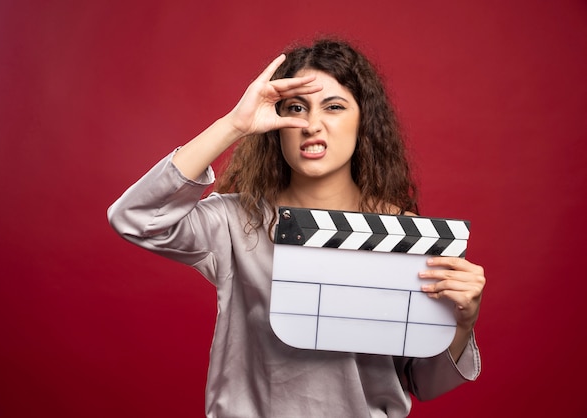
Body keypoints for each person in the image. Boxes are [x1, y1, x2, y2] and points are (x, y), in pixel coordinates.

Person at [108, 38, 485, 418]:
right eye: (296, 108)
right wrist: (234, 124)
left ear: (363, 121)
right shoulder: (237, 222)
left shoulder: (406, 236)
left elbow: (425, 382)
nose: (311, 125)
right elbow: (136, 218)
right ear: (277, 123)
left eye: (334, 107)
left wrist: (461, 322)